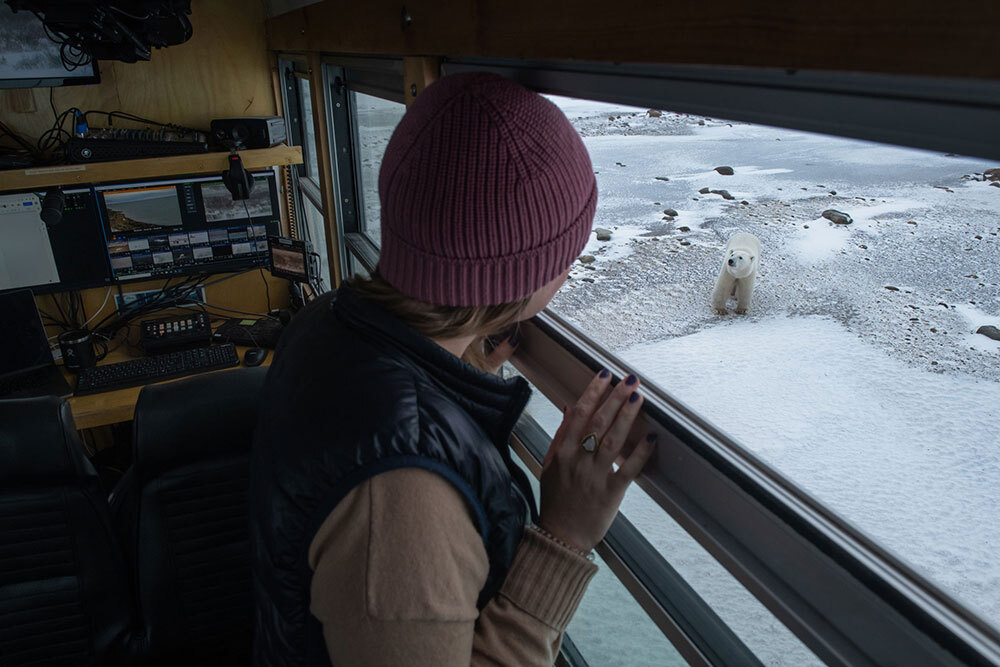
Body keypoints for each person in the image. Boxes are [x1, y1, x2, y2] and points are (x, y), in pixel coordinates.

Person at [250, 72, 656, 666]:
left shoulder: (328, 323)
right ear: (519, 279)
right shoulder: (402, 503)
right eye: (566, 255)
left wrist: (460, 372)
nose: (570, 269)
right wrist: (563, 539)